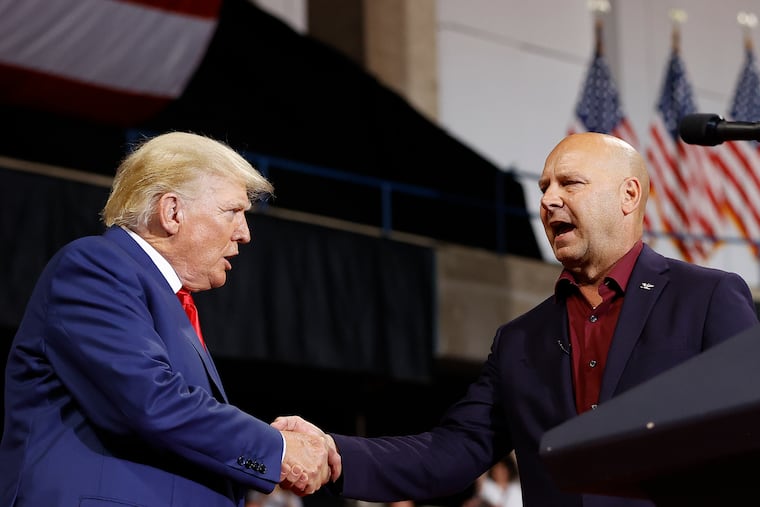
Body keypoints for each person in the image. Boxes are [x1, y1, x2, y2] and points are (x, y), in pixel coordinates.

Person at [272, 132, 760, 506]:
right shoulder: (519, 341)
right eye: (545, 186)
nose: (548, 200)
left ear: (629, 195)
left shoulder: (707, 297)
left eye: (570, 183)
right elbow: (451, 452)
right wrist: (334, 452)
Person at [0, 132, 333, 506]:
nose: (244, 233)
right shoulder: (95, 267)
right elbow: (152, 402)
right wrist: (277, 449)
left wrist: (270, 443)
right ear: (172, 211)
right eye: (233, 212)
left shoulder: (170, 300)